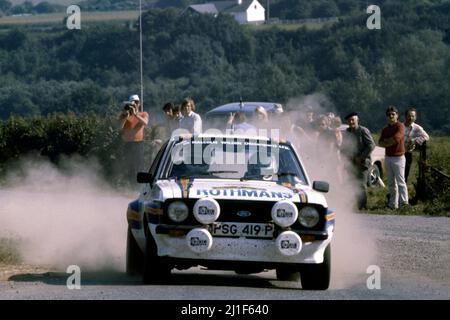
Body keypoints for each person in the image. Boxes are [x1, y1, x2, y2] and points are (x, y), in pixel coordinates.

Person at [340, 112, 376, 210]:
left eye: (353, 120)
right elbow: (344, 147)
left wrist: (361, 157)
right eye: (349, 120)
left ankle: (362, 206)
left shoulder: (363, 131)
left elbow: (371, 145)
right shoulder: (346, 132)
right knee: (351, 184)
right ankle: (352, 206)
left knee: (361, 185)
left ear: (357, 120)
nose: (351, 122)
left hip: (362, 162)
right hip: (350, 163)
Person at [378, 106, 408, 209]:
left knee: (401, 182)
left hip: (398, 157)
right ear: (387, 116)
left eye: (393, 114)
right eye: (389, 114)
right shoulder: (385, 129)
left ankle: (404, 204)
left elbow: (397, 139)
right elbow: (380, 142)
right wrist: (388, 142)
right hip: (388, 158)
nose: (391, 116)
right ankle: (392, 205)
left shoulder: (400, 126)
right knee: (391, 183)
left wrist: (387, 142)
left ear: (397, 115)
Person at [118, 94, 149, 184]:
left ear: (139, 103)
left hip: (138, 143)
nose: (134, 104)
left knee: (139, 165)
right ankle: (130, 185)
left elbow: (145, 122)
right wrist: (125, 116)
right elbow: (119, 128)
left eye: (136, 102)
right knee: (129, 166)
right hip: (127, 143)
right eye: (133, 102)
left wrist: (135, 115)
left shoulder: (143, 114)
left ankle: (139, 186)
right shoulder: (124, 115)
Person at [403, 107, 429, 182]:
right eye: (409, 116)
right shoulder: (400, 126)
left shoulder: (417, 128)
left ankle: (403, 192)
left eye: (413, 116)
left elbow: (426, 136)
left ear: (415, 117)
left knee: (405, 174)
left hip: (408, 153)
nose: (410, 118)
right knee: (397, 174)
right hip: (398, 153)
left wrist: (414, 141)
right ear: (405, 116)